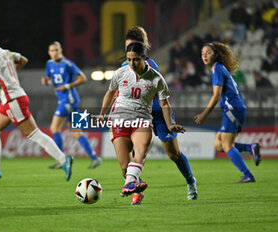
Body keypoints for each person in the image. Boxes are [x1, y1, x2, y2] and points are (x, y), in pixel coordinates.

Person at [0, 27, 73, 181]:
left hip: (13, 100)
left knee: (34, 134)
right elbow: (23, 60)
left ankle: (63, 159)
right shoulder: (5, 52)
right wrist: (11, 73)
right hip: (11, 99)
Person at [98, 41, 187, 205]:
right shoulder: (120, 73)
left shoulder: (156, 78)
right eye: (129, 59)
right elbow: (109, 93)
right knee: (125, 168)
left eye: (136, 60)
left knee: (140, 151)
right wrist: (102, 114)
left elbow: (165, 104)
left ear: (145, 57)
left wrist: (169, 125)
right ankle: (134, 185)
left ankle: (130, 183)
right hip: (119, 120)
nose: (132, 64)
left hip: (142, 121)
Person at [122, 26, 198, 205]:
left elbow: (159, 96)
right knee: (137, 153)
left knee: (173, 154)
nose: (130, 51)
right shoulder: (123, 67)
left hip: (158, 113)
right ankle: (136, 191)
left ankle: (190, 182)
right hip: (140, 116)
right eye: (127, 48)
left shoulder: (150, 66)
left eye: (133, 46)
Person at [195, 42, 261, 183]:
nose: (204, 56)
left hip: (232, 109)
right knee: (218, 144)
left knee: (227, 145)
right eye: (202, 53)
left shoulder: (217, 69)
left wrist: (204, 114)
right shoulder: (219, 68)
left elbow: (216, 95)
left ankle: (248, 175)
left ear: (216, 54)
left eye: (208, 52)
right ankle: (250, 147)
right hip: (236, 108)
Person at [41, 41, 102, 169]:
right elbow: (50, 80)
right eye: (52, 50)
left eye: (56, 50)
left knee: (54, 128)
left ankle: (61, 160)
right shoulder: (49, 64)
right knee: (76, 131)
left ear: (61, 51)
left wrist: (67, 86)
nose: (54, 53)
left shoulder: (68, 64)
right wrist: (46, 81)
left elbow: (83, 78)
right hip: (67, 100)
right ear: (49, 52)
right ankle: (95, 158)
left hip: (69, 99)